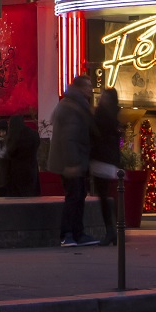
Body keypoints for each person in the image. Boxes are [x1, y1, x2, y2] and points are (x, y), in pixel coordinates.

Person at [48, 75, 97, 247]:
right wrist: (72, 163)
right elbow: (69, 137)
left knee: (77, 195)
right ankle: (68, 233)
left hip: (74, 160)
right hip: (72, 162)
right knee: (74, 196)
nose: (91, 89)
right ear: (80, 88)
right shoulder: (73, 107)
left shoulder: (73, 104)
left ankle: (76, 233)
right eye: (88, 86)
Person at [89, 87, 124, 245]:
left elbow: (95, 135)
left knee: (104, 197)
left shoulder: (100, 114)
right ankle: (116, 229)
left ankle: (110, 230)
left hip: (100, 159)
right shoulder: (115, 115)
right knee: (111, 196)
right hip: (111, 161)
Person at [5, 116, 40, 197]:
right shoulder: (33, 134)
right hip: (31, 168)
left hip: (16, 171)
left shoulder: (13, 137)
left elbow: (10, 152)